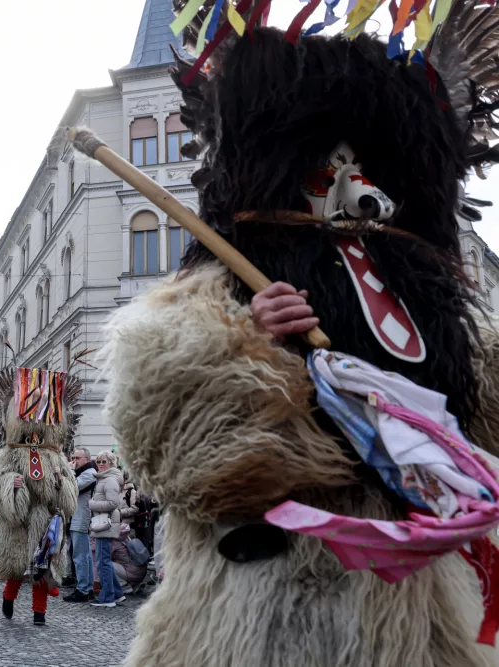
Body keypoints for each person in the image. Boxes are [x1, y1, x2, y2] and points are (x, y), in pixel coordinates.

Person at [99, 3, 499, 663]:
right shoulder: (212, 293)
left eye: (367, 170)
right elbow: (160, 440)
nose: (354, 193)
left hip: (395, 607)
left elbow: (478, 425)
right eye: (326, 172)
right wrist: (246, 341)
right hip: (252, 593)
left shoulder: (427, 302)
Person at [0, 365, 79, 627]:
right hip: (19, 521)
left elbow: (71, 495)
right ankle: (8, 597)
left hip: (46, 521)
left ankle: (39, 613)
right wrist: (9, 484)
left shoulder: (56, 455)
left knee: (42, 571)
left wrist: (61, 485)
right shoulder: (11, 453)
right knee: (16, 567)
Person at [89, 451, 124, 608]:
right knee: (105, 561)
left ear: (111, 463)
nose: (100, 464)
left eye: (104, 461)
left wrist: (92, 504)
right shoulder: (105, 478)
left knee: (103, 562)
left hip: (105, 524)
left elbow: (113, 503)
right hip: (104, 523)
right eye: (98, 461)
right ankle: (116, 593)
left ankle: (107, 598)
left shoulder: (109, 480)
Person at [62, 447, 97, 603]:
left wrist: (67, 472)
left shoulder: (89, 474)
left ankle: (83, 589)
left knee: (80, 555)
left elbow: (72, 488)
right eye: (73, 457)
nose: (74, 461)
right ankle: (86, 587)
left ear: (86, 460)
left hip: (81, 518)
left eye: (77, 458)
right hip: (76, 517)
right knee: (84, 554)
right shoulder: (83, 472)